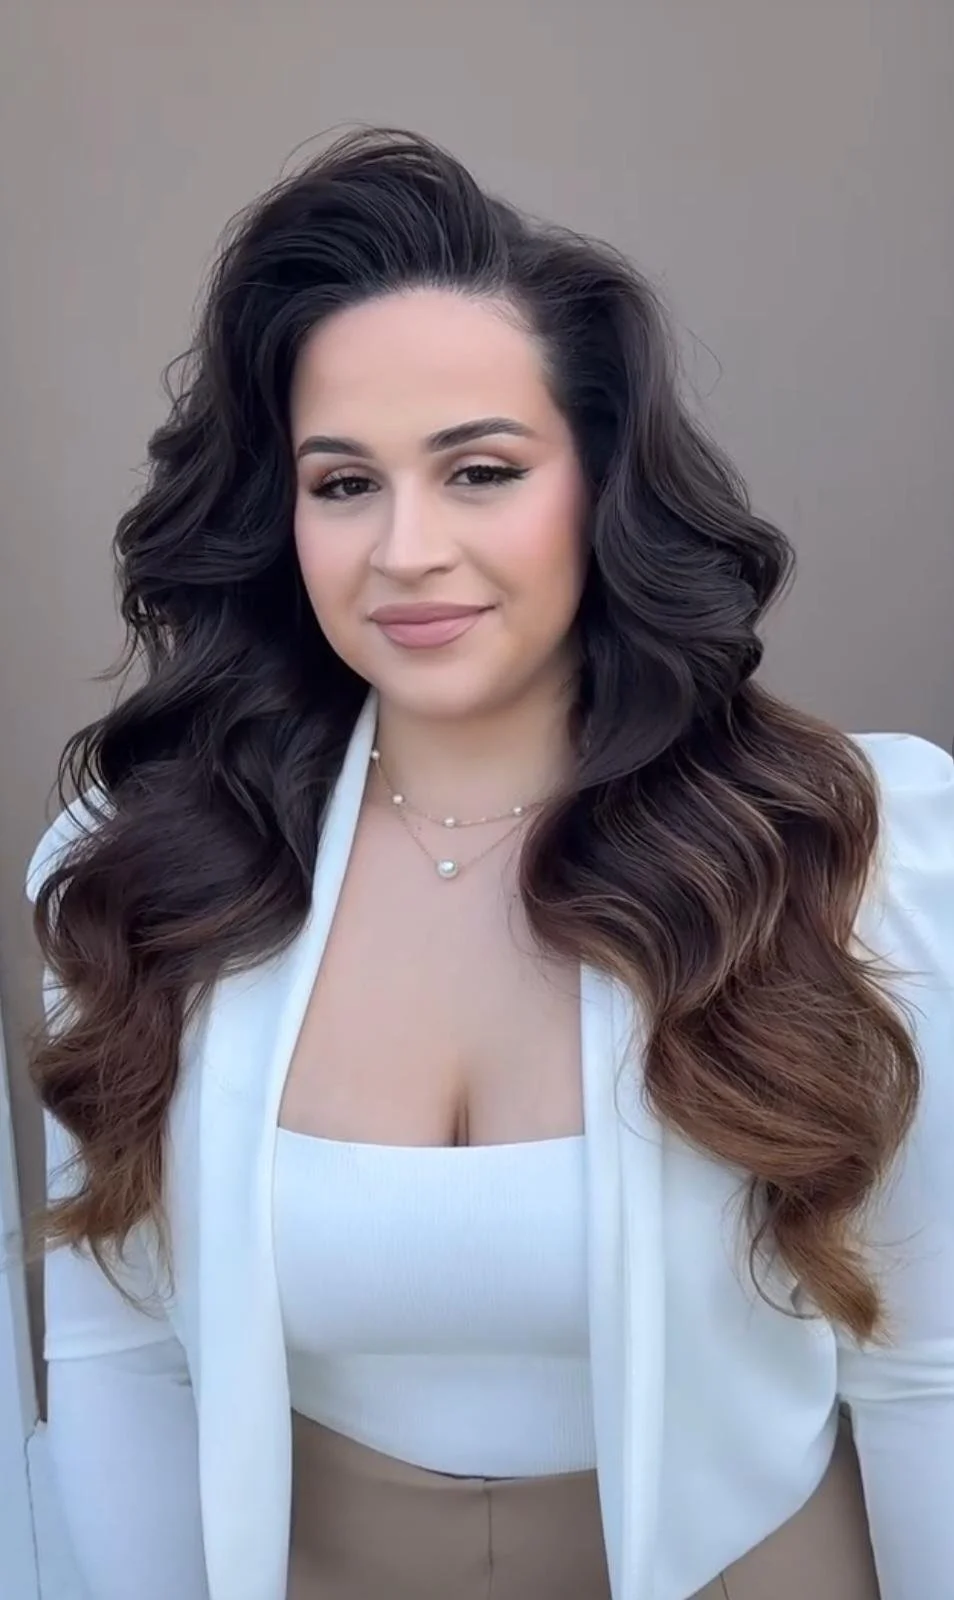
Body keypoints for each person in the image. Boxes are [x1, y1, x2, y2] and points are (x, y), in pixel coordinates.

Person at [25, 127, 953, 1600]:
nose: (404, 549)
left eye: (477, 470)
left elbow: (929, 1374)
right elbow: (114, 1350)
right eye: (342, 483)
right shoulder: (149, 872)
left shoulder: (853, 846)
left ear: (600, 488)